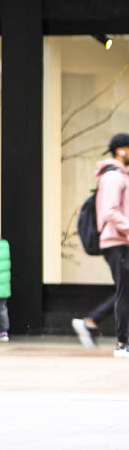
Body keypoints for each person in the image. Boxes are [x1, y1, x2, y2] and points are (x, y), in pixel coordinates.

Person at [94, 131, 129, 359]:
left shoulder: (120, 176)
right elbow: (110, 211)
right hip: (117, 241)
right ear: (121, 150)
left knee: (125, 292)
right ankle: (122, 344)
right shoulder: (113, 177)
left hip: (121, 240)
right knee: (124, 293)